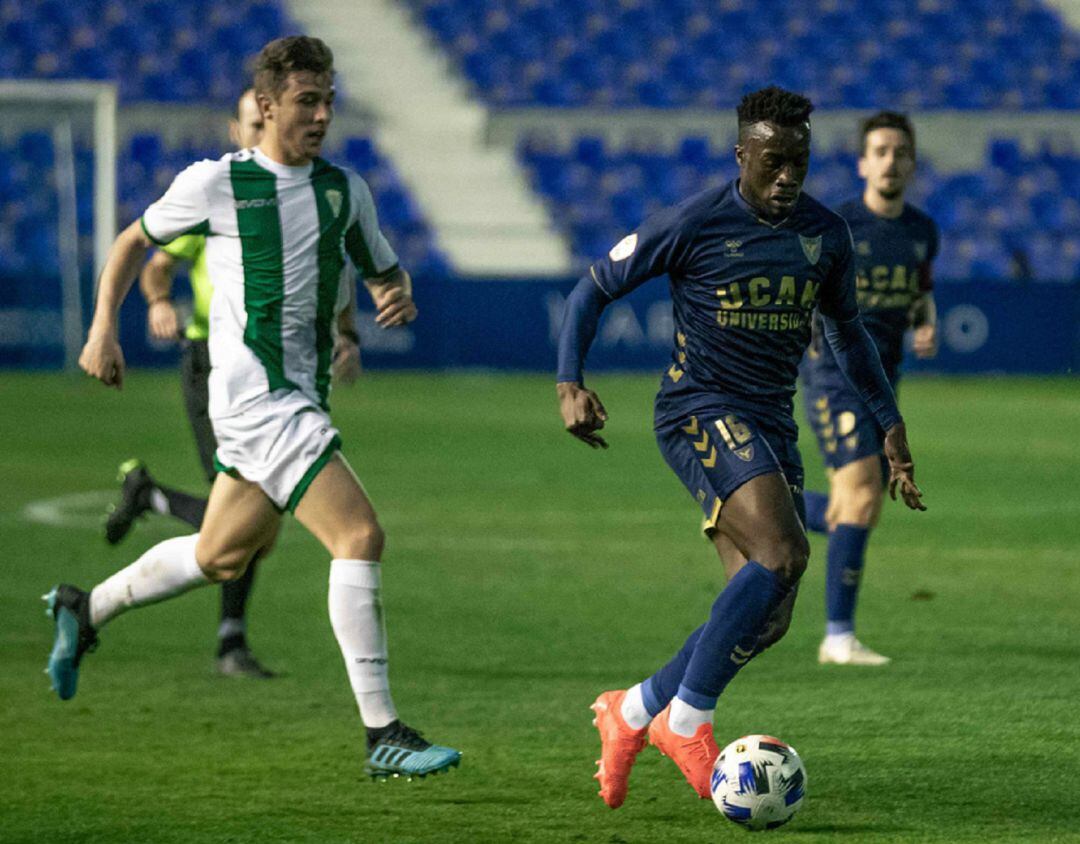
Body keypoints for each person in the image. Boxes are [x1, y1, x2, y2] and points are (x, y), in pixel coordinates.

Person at [45, 35, 460, 780]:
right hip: (257, 401)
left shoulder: (344, 191)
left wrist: (393, 294)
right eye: (307, 100)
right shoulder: (217, 184)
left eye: (329, 100)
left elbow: (383, 270)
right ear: (265, 108)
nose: (323, 114)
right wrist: (103, 326)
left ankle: (85, 608)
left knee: (220, 554)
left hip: (297, 398)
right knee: (359, 534)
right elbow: (132, 242)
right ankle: (382, 734)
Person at [556, 86, 926, 808]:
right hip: (698, 407)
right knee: (787, 552)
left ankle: (631, 710)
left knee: (767, 612)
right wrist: (570, 382)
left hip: (770, 422)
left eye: (800, 161)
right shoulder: (694, 220)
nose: (789, 175)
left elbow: (848, 337)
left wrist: (889, 426)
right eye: (774, 161)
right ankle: (688, 719)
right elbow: (591, 290)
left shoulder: (824, 234)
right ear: (742, 157)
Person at [103, 86, 363, 679]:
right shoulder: (220, 194)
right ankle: (228, 641)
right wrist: (157, 302)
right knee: (246, 529)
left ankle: (151, 511)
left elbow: (337, 276)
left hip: (279, 381)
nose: (256, 134)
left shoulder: (303, 199)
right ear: (241, 126)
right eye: (249, 124)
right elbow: (156, 260)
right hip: (214, 369)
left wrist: (347, 337)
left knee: (253, 533)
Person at [801, 111, 939, 666]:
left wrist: (924, 320)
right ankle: (838, 638)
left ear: (910, 162)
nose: (890, 159)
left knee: (856, 509)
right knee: (859, 493)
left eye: (899, 151)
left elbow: (921, 292)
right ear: (863, 162)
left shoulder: (922, 231)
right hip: (833, 375)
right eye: (879, 150)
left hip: (884, 382)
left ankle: (745, 502)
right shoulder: (838, 226)